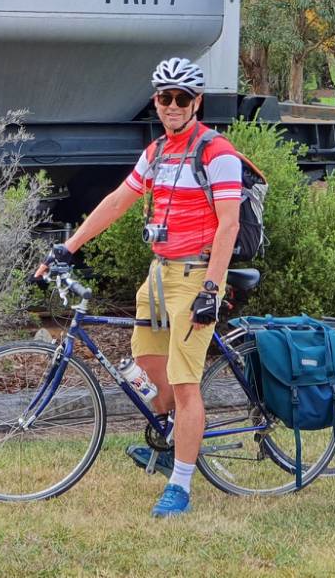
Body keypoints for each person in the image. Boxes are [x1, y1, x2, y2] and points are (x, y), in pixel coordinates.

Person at [36, 56, 241, 517]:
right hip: (159, 271)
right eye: (165, 97)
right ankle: (169, 441)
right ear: (155, 101)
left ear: (196, 102)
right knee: (150, 373)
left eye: (181, 98)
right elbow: (116, 202)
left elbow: (229, 224)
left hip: (197, 273)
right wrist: (68, 247)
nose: (172, 105)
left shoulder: (217, 153)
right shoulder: (157, 153)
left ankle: (181, 485)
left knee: (186, 383)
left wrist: (212, 288)